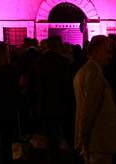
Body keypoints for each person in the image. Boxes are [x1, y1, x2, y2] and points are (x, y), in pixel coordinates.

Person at [73, 35, 116, 164]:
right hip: (98, 139)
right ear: (95, 51)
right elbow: (89, 109)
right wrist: (83, 136)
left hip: (95, 139)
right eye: (106, 51)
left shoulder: (87, 70)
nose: (109, 55)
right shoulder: (93, 72)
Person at [37, 35, 75, 163]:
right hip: (62, 104)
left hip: (46, 104)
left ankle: (54, 158)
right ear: (58, 46)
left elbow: (36, 85)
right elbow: (68, 84)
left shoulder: (40, 61)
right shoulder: (64, 62)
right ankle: (73, 157)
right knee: (69, 135)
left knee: (51, 138)